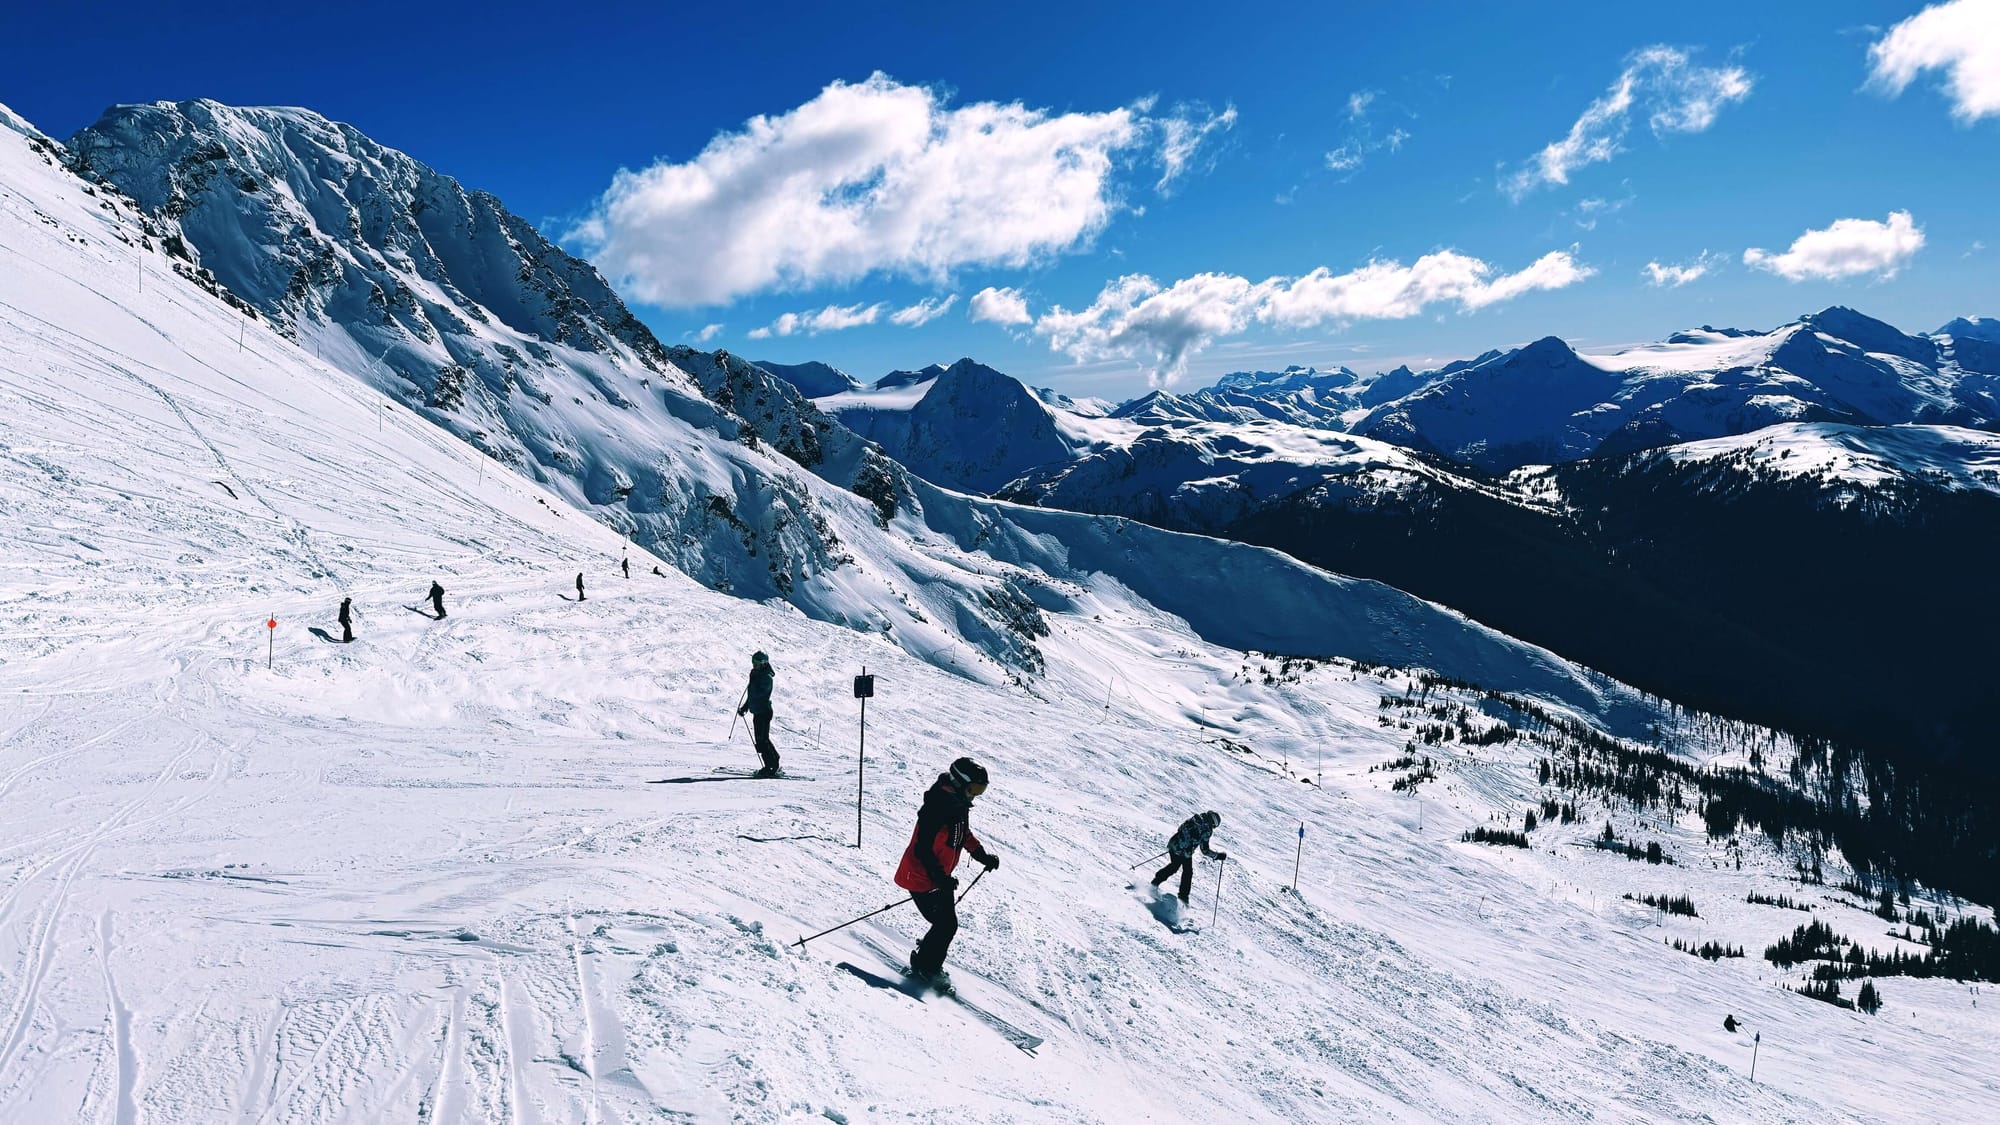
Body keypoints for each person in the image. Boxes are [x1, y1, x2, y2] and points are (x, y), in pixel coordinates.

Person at [893, 757, 999, 992]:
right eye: (974, 789)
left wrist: (981, 855)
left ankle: (927, 959)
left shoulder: (957, 804)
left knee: (945, 925)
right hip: (921, 877)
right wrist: (939, 877)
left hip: (938, 878)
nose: (975, 795)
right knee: (946, 924)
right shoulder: (936, 807)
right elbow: (922, 848)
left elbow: (962, 833)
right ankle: (926, 967)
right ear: (960, 782)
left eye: (980, 790)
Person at [1152, 811, 1226, 906]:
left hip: (1174, 844)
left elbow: (1180, 828)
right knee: (1187, 872)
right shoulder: (1207, 830)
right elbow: (1205, 850)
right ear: (1213, 823)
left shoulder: (1195, 819)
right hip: (1184, 852)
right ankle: (1183, 898)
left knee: (1174, 866)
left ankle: (1156, 881)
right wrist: (1217, 856)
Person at [735, 651, 780, 777]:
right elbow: (751, 696)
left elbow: (761, 694)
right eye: (753, 662)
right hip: (757, 712)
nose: (754, 665)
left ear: (764, 663)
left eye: (756, 662)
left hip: (764, 711)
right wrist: (745, 707)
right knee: (760, 740)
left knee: (762, 740)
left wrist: (754, 681)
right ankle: (772, 762)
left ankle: (772, 766)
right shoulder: (756, 674)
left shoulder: (766, 677)